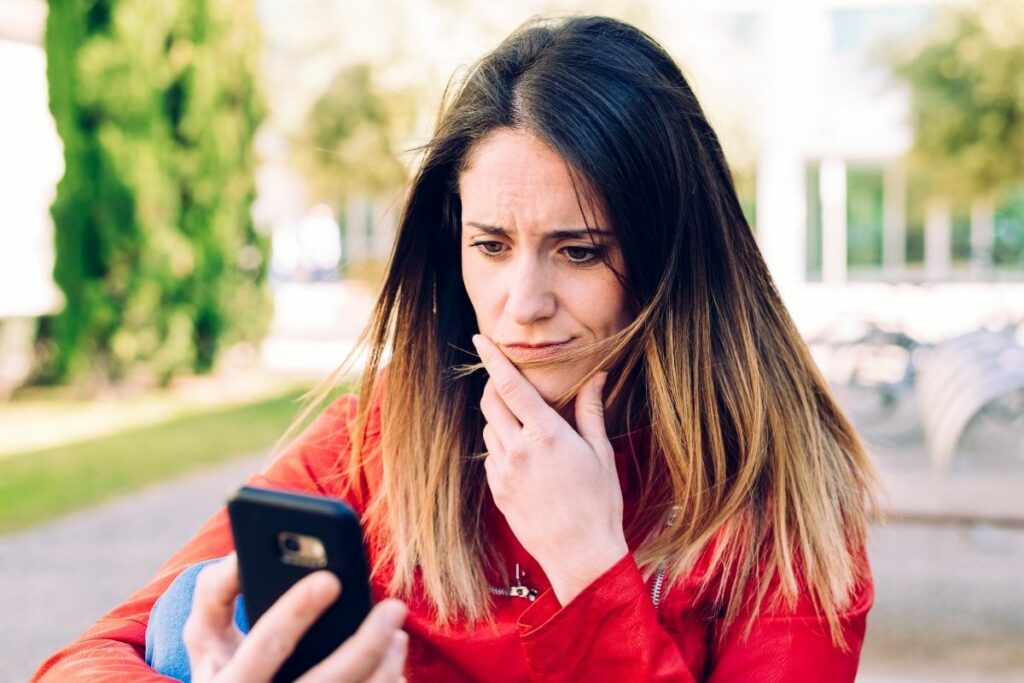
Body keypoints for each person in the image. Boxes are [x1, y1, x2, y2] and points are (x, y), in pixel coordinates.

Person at [33, 14, 880, 683]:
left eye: (579, 250)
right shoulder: (375, 440)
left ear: (673, 259)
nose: (525, 304)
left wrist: (588, 563)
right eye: (491, 245)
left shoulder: (779, 500)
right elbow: (83, 660)